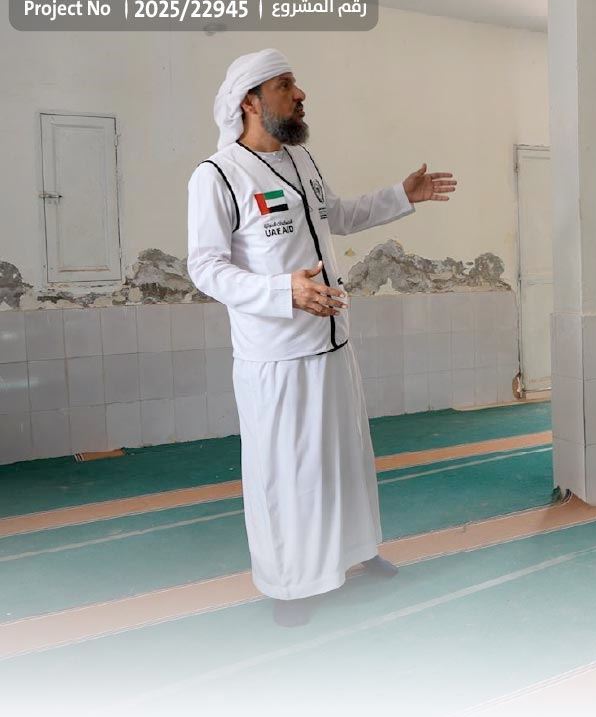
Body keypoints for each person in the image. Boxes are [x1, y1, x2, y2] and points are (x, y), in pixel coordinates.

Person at [186, 49, 457, 627]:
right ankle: (289, 585)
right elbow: (205, 268)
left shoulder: (300, 159)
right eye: (286, 85)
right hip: (277, 359)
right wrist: (282, 291)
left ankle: (356, 551)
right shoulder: (218, 175)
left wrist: (402, 194)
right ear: (250, 101)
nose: (301, 94)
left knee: (345, 462)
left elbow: (337, 215)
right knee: (288, 474)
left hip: (333, 344)